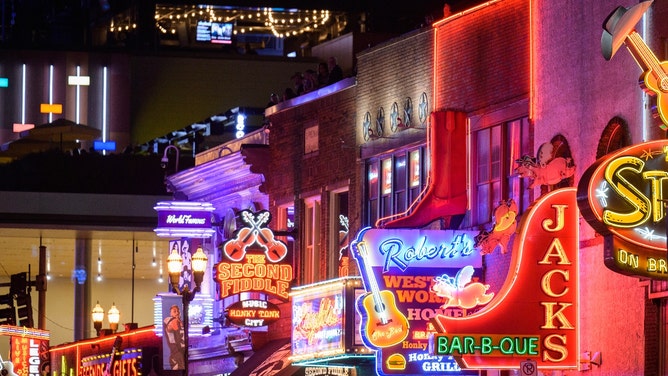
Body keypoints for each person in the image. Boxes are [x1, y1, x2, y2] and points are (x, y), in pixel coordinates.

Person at [164, 305, 185, 370]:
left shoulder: (182, 323)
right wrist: (176, 321)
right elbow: (170, 327)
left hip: (183, 353)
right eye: (174, 311)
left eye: (178, 311)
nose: (177, 312)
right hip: (176, 355)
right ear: (171, 313)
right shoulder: (170, 320)